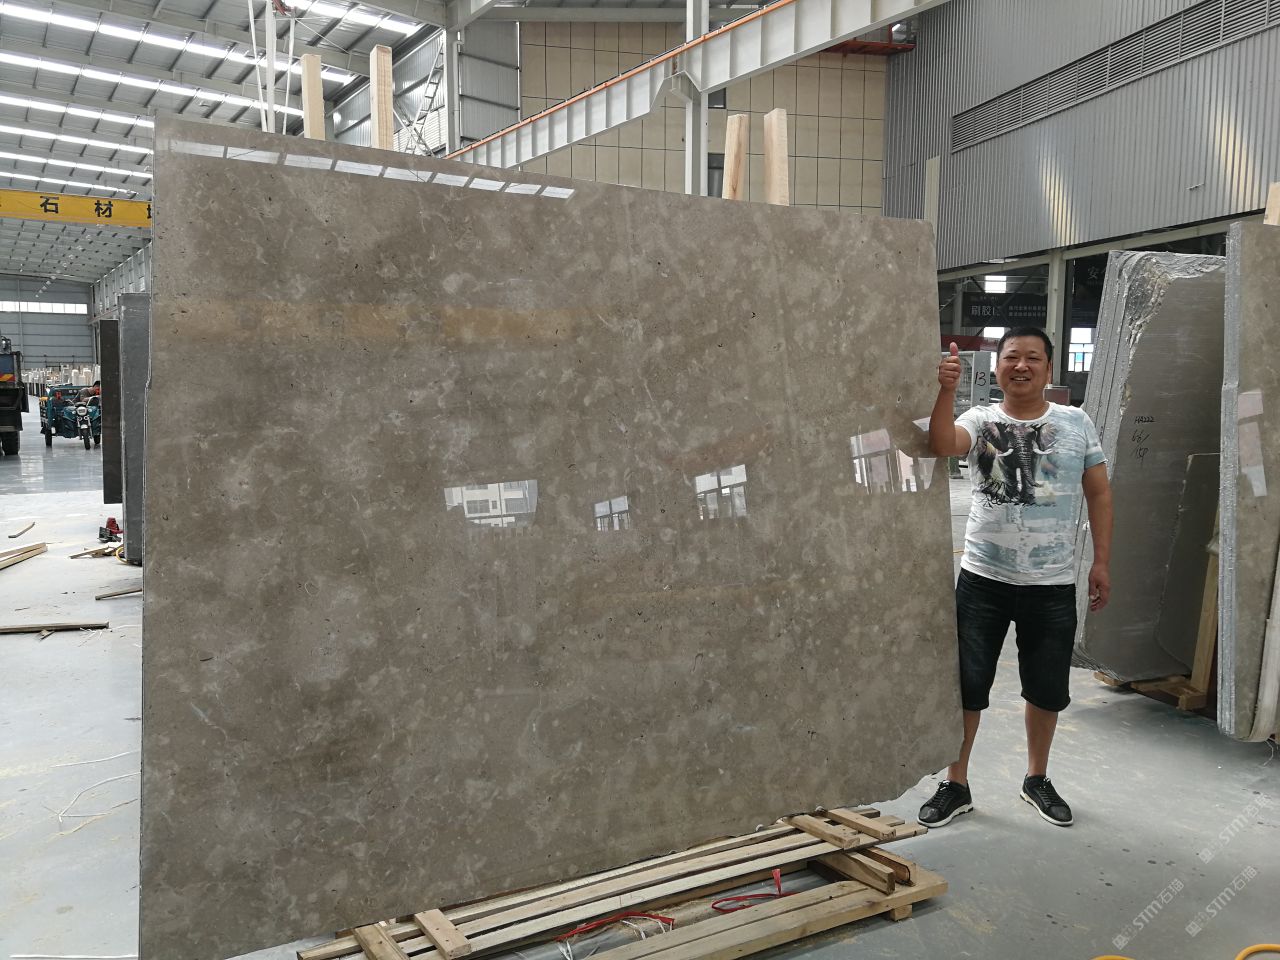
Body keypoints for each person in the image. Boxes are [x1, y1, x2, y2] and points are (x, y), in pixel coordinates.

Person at [919, 327, 1113, 828]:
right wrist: (946, 390)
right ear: (998, 367)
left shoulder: (1075, 422)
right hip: (983, 579)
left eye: (1032, 358)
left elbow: (1099, 493)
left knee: (1046, 688)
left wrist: (1101, 561)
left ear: (1048, 369)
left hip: (1051, 583)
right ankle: (955, 783)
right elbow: (941, 443)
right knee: (968, 685)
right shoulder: (980, 420)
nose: (1021, 366)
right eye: (1011, 357)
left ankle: (1036, 778)